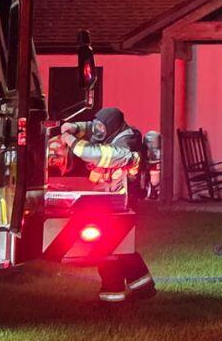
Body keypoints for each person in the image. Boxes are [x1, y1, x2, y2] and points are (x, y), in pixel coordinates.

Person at [58, 107, 155, 302]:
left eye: (103, 126)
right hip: (110, 202)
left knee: (106, 250)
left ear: (113, 127)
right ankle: (143, 288)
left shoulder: (126, 145)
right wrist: (74, 126)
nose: (98, 130)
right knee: (120, 249)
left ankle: (112, 296)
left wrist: (71, 140)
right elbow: (92, 128)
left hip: (122, 205)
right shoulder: (112, 132)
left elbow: (95, 154)